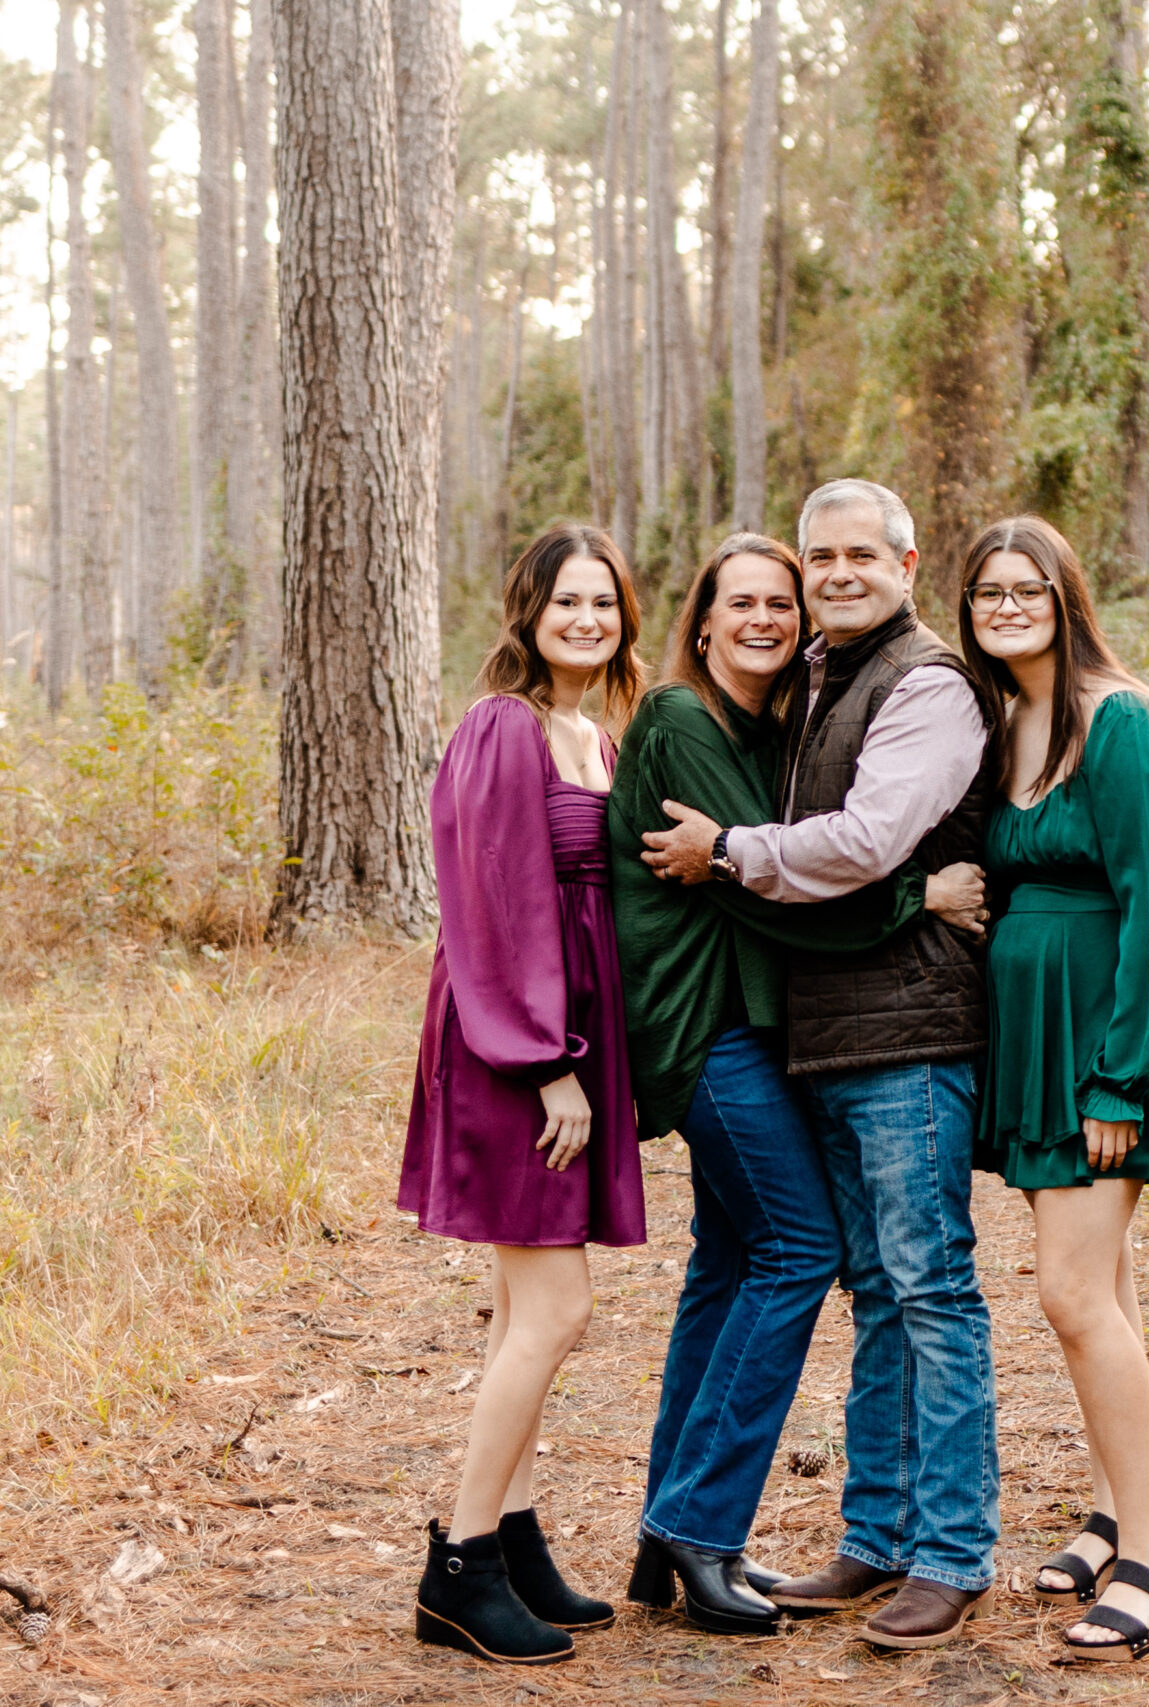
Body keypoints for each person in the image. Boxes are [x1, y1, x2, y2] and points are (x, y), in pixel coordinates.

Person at [640, 480, 1000, 1652]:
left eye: (860, 555)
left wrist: (729, 851)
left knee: (931, 1286)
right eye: (821, 559)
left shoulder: (927, 685)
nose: (838, 575)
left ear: (906, 559)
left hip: (909, 1035)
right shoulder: (814, 679)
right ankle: (876, 1538)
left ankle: (950, 1553)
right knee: (877, 1290)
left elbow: (867, 841)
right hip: (822, 1035)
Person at [957, 515, 1149, 1662]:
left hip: (1101, 1039)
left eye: (1028, 588)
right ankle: (1114, 1509)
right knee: (1104, 1292)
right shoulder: (1007, 720)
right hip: (1032, 1033)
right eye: (988, 592)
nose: (1008, 606)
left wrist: (1117, 1079)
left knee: (1071, 1296)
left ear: (1066, 598)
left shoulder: (1120, 720)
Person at [402, 524, 647, 1668]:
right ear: (528, 614)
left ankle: (512, 1535)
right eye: (568, 604)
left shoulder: (590, 733)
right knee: (555, 1310)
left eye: (604, 603)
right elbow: (489, 904)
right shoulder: (502, 728)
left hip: (570, 1041)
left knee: (521, 1311)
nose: (588, 620)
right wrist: (549, 1061)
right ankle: (458, 1568)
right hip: (519, 1048)